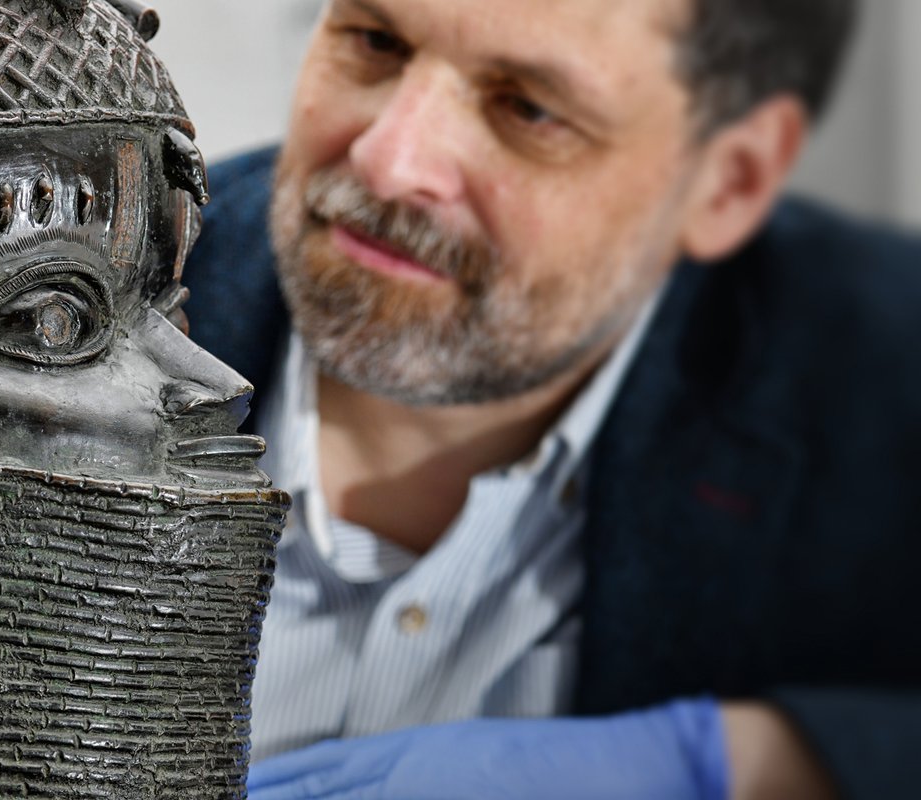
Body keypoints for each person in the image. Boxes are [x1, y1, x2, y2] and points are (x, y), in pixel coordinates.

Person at [183, 0, 921, 797]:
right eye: (376, 41)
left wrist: (754, 763)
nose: (390, 159)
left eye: (528, 108)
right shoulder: (73, 303)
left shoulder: (880, 382)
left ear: (727, 184)